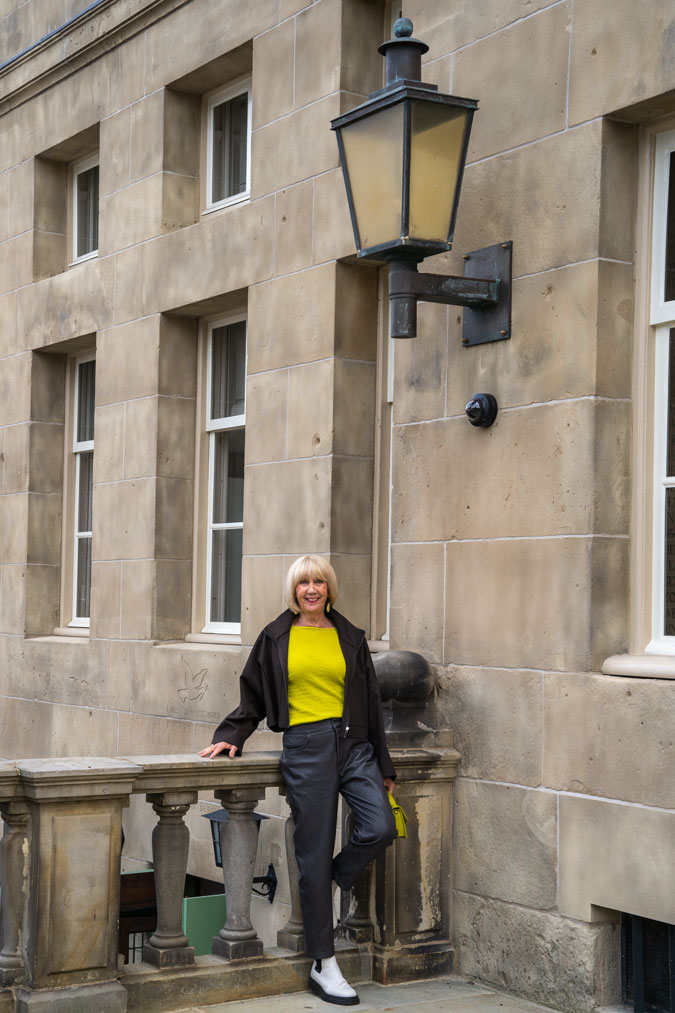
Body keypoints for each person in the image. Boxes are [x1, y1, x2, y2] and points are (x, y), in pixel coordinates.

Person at [200, 554, 397, 1006]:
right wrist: (232, 735)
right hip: (306, 748)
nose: (312, 589)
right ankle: (324, 964)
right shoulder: (275, 637)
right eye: (304, 582)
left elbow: (370, 701)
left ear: (329, 588)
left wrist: (384, 766)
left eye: (319, 581)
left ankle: (328, 876)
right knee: (312, 848)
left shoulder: (349, 636)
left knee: (380, 827)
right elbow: (252, 693)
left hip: (354, 745)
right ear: (294, 591)